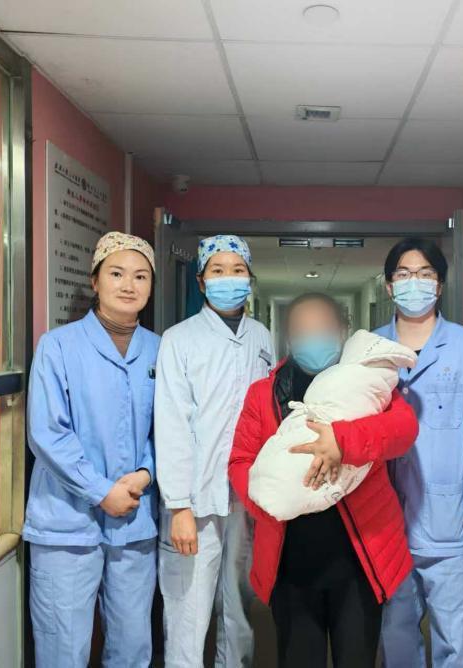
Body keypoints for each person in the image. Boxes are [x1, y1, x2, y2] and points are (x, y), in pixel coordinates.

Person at [228, 292, 419, 668]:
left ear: (343, 331)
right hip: (290, 564)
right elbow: (240, 462)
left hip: (359, 561)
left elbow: (403, 429)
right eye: (302, 331)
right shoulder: (265, 393)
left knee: (357, 658)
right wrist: (270, 504)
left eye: (323, 329)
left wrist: (342, 442)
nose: (313, 338)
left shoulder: (367, 383)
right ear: (288, 337)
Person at [24, 231, 159, 667]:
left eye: (140, 276)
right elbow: (47, 432)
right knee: (63, 649)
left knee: (133, 646)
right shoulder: (58, 346)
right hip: (66, 522)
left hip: (133, 520)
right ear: (94, 280)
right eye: (116, 273)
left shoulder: (160, 350)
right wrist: (101, 491)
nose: (128, 285)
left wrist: (146, 472)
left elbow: (171, 430)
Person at [376, 238, 463, 668]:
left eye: (425, 274)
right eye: (404, 274)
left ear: (440, 284)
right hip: (385, 522)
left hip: (451, 521)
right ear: (389, 286)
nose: (414, 282)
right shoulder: (369, 348)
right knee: (396, 637)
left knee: (458, 641)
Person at [154, 234, 274, 668]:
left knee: (239, 609)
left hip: (245, 496)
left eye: (238, 270)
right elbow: (171, 424)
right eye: (217, 271)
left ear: (250, 279)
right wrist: (179, 506)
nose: (229, 279)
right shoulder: (179, 340)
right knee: (189, 614)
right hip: (196, 500)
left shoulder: (262, 336)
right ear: (201, 283)